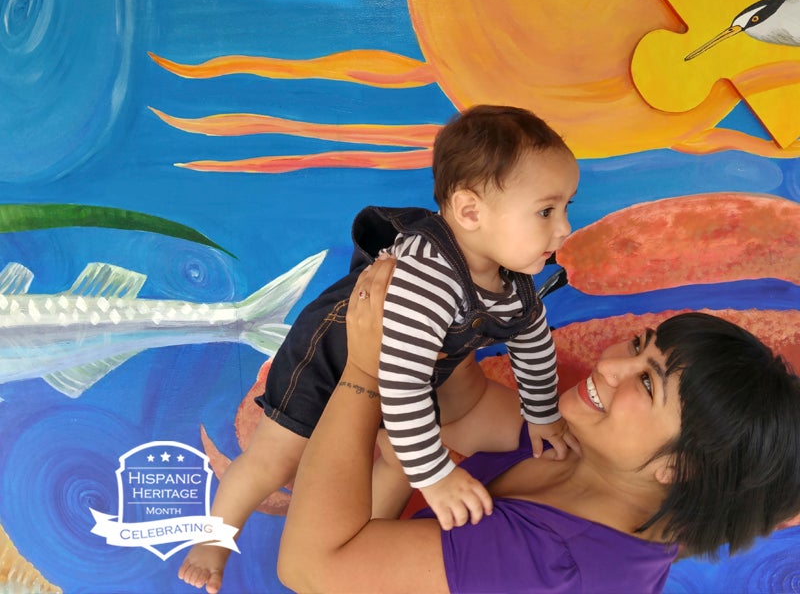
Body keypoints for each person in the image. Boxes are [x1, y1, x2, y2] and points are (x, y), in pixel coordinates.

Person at [179, 104, 581, 592]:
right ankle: (213, 539)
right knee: (275, 459)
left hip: (398, 369)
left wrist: (542, 415)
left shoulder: (512, 279)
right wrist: (434, 477)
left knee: (403, 445)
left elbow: (533, 340)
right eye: (546, 211)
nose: (563, 229)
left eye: (566, 209)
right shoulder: (428, 279)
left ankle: (380, 491)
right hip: (328, 358)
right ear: (471, 211)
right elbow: (404, 384)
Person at [278, 257, 800, 594]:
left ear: (678, 466)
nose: (611, 364)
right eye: (639, 344)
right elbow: (466, 407)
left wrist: (366, 371)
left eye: (647, 385)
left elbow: (308, 569)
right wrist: (443, 303)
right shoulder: (582, 449)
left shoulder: (554, 571)